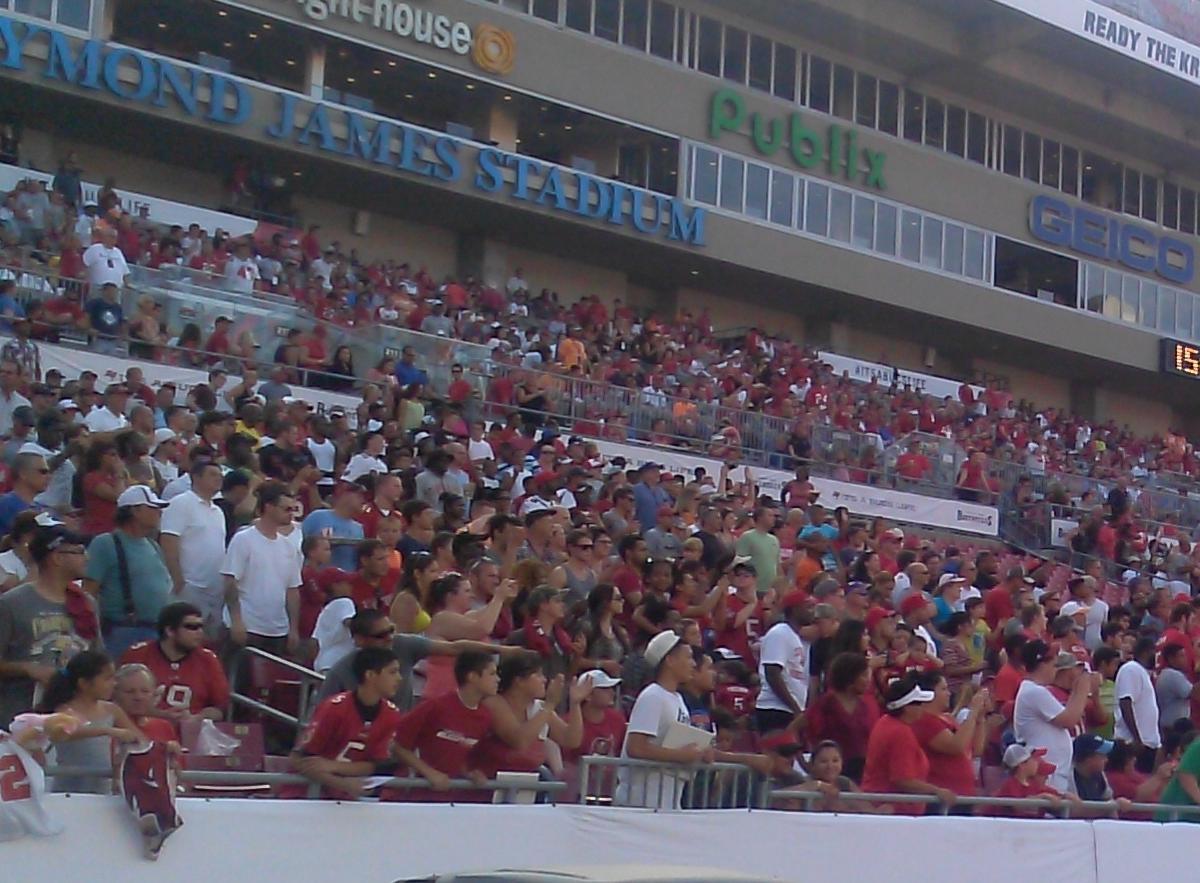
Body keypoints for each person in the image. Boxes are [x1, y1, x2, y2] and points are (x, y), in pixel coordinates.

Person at [0, 524, 98, 728]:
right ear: (57, 557)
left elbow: (97, 657)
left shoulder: (86, 603)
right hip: (21, 717)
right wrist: (28, 669)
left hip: (76, 720)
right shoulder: (11, 603)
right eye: (79, 551)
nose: (86, 558)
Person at [616, 630, 714, 810]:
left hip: (667, 802)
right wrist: (681, 755)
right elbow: (636, 747)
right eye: (688, 657)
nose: (693, 664)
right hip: (641, 802)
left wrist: (700, 753)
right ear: (669, 660)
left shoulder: (677, 699)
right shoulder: (652, 696)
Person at [290, 646, 404, 800]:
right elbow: (299, 759)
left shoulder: (392, 714)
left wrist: (335, 767)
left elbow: (378, 766)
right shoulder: (333, 708)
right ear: (370, 675)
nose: (399, 678)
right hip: (305, 795)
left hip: (349, 799)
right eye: (392, 672)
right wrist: (342, 783)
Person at [389, 650, 498, 802]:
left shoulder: (485, 716)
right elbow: (397, 746)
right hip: (411, 797)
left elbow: (460, 754)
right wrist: (429, 773)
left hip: (448, 802)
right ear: (472, 676)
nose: (498, 679)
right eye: (492, 674)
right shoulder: (435, 706)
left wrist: (470, 773)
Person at [83, 485, 172, 660]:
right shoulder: (105, 543)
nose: (159, 513)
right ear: (135, 511)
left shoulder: (153, 545)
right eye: (153, 508)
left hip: (157, 633)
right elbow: (88, 593)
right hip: (123, 632)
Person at [468, 652, 588, 781]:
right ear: (519, 680)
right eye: (538, 674)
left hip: (523, 787)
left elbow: (571, 740)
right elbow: (519, 740)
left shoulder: (541, 708)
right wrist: (550, 704)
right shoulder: (494, 703)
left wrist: (575, 703)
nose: (544, 679)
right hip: (486, 786)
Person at [222, 482, 304, 664]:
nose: (291, 513)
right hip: (247, 626)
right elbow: (230, 581)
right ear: (268, 507)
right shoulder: (244, 539)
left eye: (293, 509)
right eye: (286, 508)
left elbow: (292, 590)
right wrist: (236, 621)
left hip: (277, 630)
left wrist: (293, 629)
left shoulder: (289, 546)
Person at [40, 650, 141, 794]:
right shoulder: (64, 711)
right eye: (107, 679)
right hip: (69, 793)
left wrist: (164, 746)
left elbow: (139, 739)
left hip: (102, 790)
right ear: (84, 684)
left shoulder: (112, 710)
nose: (114, 684)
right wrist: (107, 730)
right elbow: (66, 732)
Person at [118, 601, 229, 727]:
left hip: (193, 733)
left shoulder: (208, 659)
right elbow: (120, 702)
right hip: (144, 728)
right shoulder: (137, 655)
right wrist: (161, 715)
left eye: (201, 627)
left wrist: (197, 718)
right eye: (191, 627)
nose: (200, 632)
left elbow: (220, 708)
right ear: (170, 630)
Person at [861, 673, 955, 815]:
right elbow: (903, 780)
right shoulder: (900, 732)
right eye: (918, 703)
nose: (923, 707)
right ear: (906, 707)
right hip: (895, 812)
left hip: (884, 805)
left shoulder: (885, 721)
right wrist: (937, 791)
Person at [1013, 640, 1099, 793]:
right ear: (1042, 663)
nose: (1055, 667)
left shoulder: (1036, 690)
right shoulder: (1034, 692)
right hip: (1046, 770)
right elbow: (1069, 720)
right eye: (1053, 662)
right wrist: (1084, 687)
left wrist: (1077, 687)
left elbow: (1067, 712)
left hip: (1054, 770)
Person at [158, 460, 227, 634]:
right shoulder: (181, 503)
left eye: (220, 475)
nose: (218, 479)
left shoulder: (218, 511)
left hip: (214, 589)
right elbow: (168, 541)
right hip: (190, 586)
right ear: (195, 477)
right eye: (212, 474)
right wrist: (178, 580)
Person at [912, 672, 993, 808]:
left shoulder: (948, 718)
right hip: (944, 797)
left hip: (963, 795)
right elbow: (956, 746)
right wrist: (973, 711)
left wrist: (980, 717)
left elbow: (976, 750)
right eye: (943, 689)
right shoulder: (925, 721)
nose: (949, 693)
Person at [806, 652, 880, 782]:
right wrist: (806, 764)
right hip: (833, 772)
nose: (868, 680)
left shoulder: (869, 703)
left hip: (863, 771)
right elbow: (795, 730)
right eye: (863, 676)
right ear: (850, 678)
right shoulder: (826, 703)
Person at [755, 595, 813, 733]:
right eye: (808, 607)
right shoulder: (780, 632)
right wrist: (796, 709)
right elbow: (772, 673)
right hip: (775, 709)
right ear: (794, 610)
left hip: (787, 710)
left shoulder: (793, 636)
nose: (812, 611)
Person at [1114, 636, 1161, 773]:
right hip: (1133, 743)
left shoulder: (1143, 673)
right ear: (1146, 652)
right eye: (1155, 652)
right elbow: (1125, 703)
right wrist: (1137, 738)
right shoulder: (1131, 669)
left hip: (1146, 743)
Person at [301, 483, 366, 572]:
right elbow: (299, 544)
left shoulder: (359, 528)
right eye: (359, 496)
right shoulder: (317, 517)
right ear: (345, 496)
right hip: (317, 578)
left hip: (345, 580)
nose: (363, 501)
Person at [735, 505, 781, 594]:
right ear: (760, 518)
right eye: (770, 515)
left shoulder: (774, 539)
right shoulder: (747, 536)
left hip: (770, 589)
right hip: (752, 589)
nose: (774, 518)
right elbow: (739, 561)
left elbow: (777, 564)